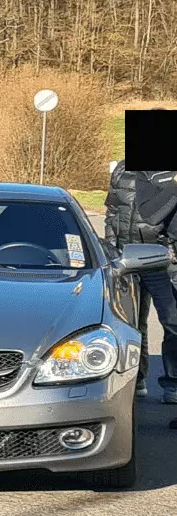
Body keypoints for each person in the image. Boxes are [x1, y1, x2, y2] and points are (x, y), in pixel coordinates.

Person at [106, 158, 177, 402]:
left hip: (160, 256)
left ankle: (172, 384)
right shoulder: (122, 169)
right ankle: (137, 378)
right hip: (126, 255)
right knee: (133, 321)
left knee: (171, 320)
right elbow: (112, 211)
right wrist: (109, 247)